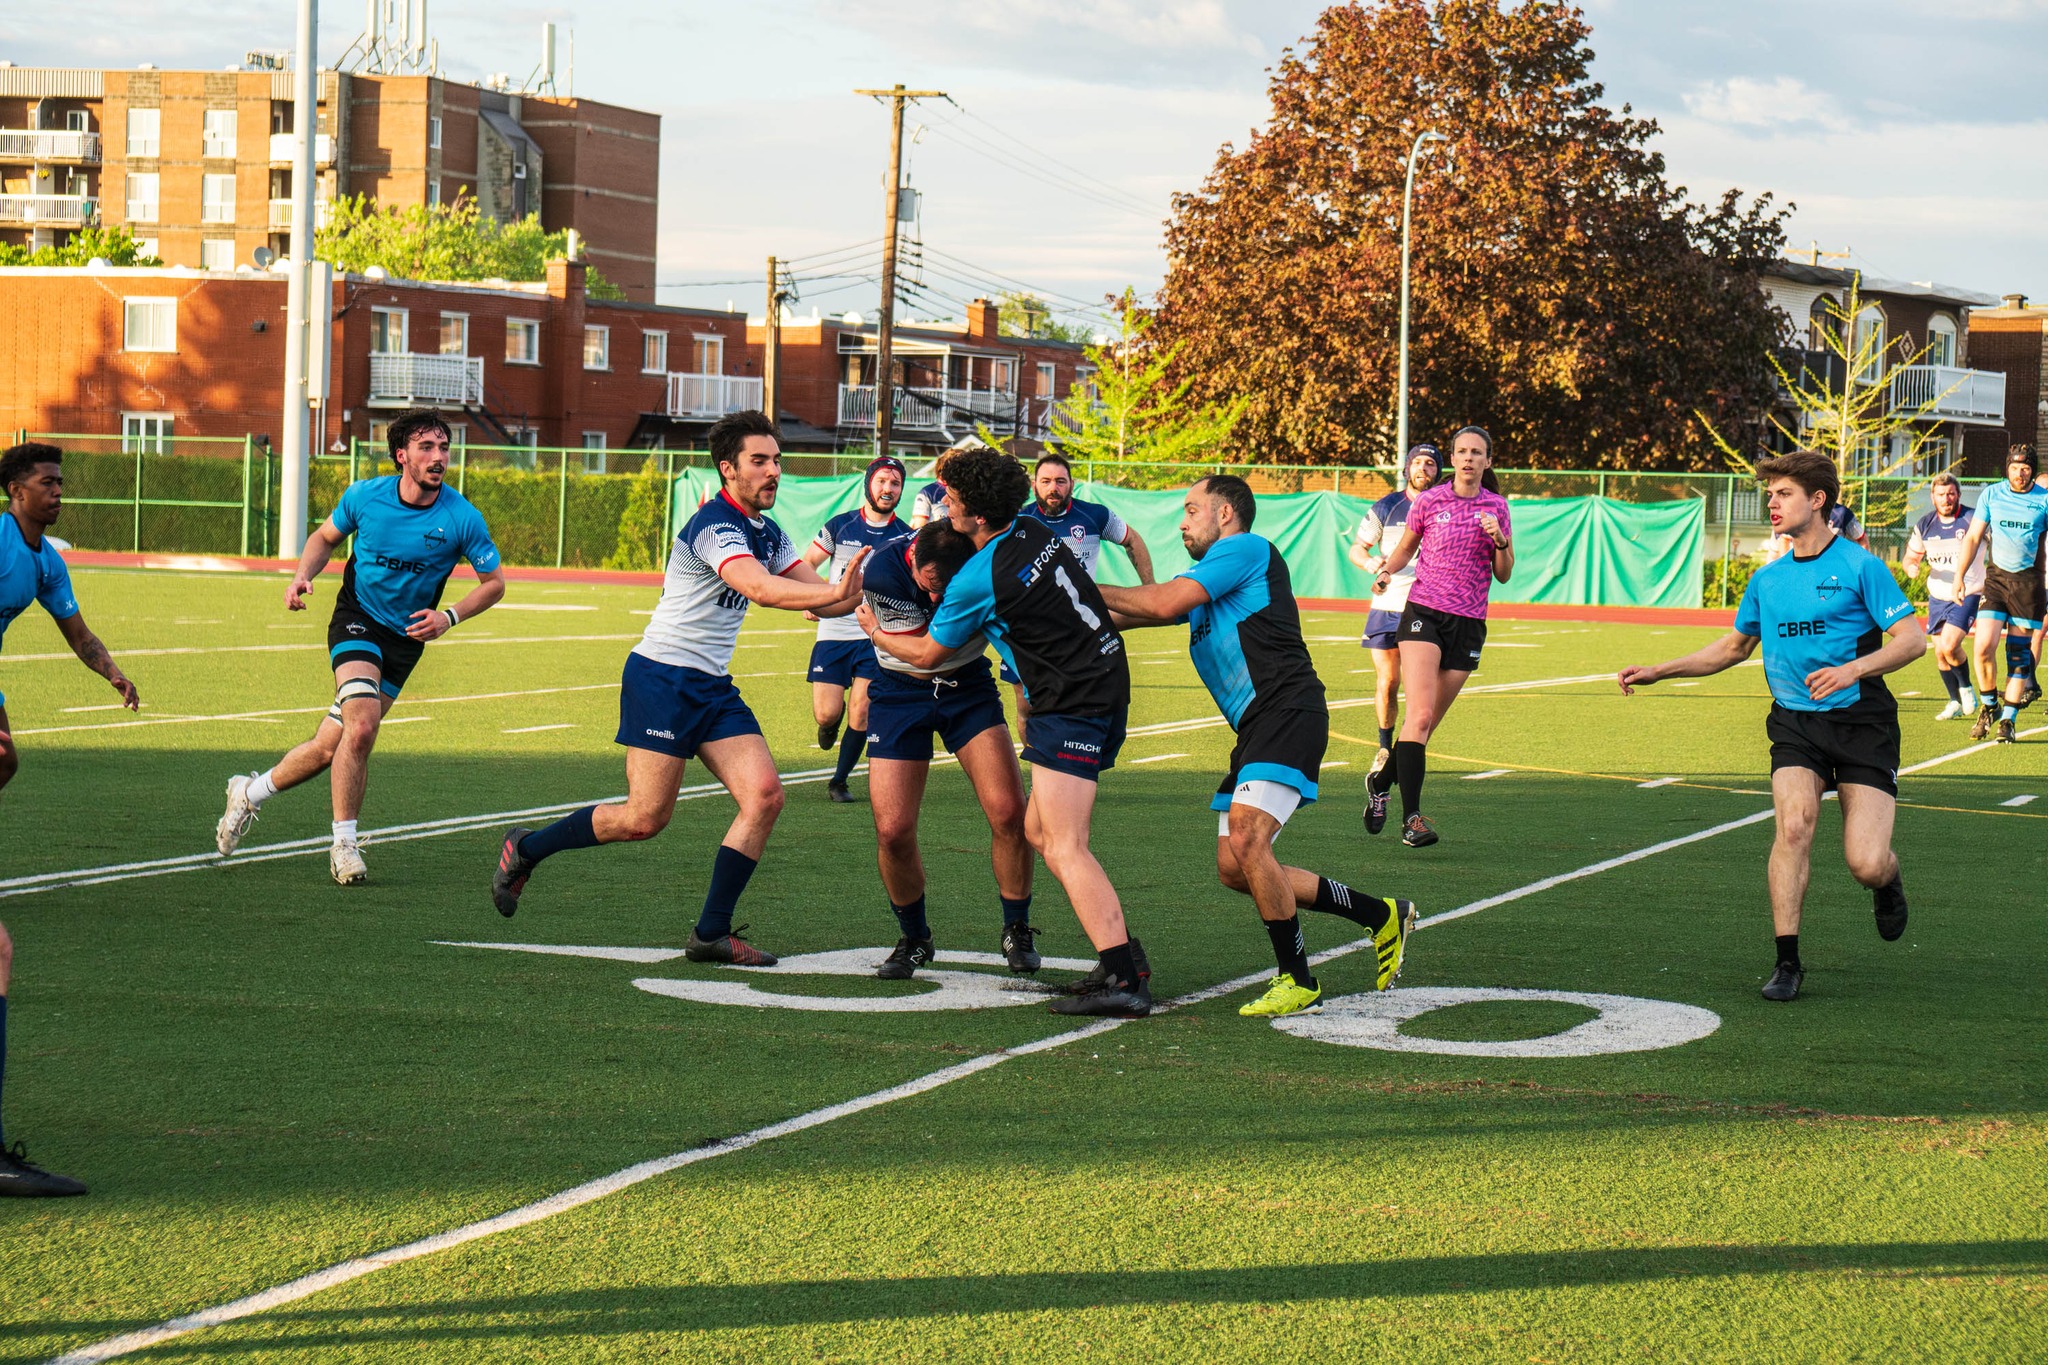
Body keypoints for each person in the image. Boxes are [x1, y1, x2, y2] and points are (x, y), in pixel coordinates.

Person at [490, 411, 868, 966]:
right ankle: (525, 848)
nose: (773, 472)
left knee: (764, 796)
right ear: (727, 469)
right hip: (662, 678)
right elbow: (759, 589)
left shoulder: (771, 532)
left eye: (777, 461)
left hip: (712, 685)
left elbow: (830, 599)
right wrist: (838, 591)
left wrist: (879, 585)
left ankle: (711, 932)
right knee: (645, 819)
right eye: (759, 461)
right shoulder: (715, 524)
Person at [1100, 476, 1416, 1019]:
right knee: (1235, 866)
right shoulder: (1209, 582)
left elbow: (1158, 602)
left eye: (1191, 509)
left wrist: (1069, 583)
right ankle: (1382, 914)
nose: (1181, 521)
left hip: (1286, 712)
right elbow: (1124, 612)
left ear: (1225, 514)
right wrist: (1034, 606)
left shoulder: (1244, 549)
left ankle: (1298, 980)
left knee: (1248, 838)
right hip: (1257, 728)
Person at [1618, 451, 1924, 1003]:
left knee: (1865, 861)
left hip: (1863, 724)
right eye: (1771, 493)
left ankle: (1888, 880)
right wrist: (1659, 671)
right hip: (1794, 725)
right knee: (1794, 827)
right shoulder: (1768, 579)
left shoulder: (1860, 566)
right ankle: (1787, 962)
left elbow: (1912, 639)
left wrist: (1852, 668)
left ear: (1818, 500)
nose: (1772, 502)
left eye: (1783, 493)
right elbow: (1734, 647)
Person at [865, 443, 1149, 1017]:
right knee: (1037, 831)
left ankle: (1125, 974)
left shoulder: (977, 576)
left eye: (952, 497)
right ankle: (1114, 957)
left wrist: (875, 631)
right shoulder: (1032, 530)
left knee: (1064, 844)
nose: (944, 503)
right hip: (1100, 675)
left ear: (974, 511)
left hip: (1071, 699)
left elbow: (925, 653)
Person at [215, 411, 503, 885]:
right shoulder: (365, 497)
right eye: (426, 447)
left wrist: (447, 617)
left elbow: (494, 584)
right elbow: (324, 538)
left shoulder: (461, 517)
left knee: (331, 747)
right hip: (357, 620)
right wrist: (302, 575)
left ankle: (249, 793)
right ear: (401, 456)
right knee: (363, 725)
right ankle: (344, 846)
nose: (438, 457)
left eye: (444, 447)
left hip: (406, 641)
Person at [0, 440, 139, 1197]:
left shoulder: (45, 560)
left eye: (61, 481)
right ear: (15, 488)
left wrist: (111, 669)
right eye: (48, 481)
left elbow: (77, 632)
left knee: (7, 762)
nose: (60, 490)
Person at [845, 521, 1040, 978]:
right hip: (898, 690)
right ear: (913, 559)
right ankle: (915, 937)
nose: (935, 599)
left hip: (967, 687)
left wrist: (875, 633)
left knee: (1010, 812)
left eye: (947, 589)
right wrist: (878, 636)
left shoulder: (981, 563)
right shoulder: (883, 574)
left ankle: (1017, 927)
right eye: (930, 586)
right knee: (892, 830)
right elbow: (919, 654)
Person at [1362, 425, 1513, 848]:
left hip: (1468, 623)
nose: (1468, 458)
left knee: (1422, 727)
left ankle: (1380, 784)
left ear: (1488, 461)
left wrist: (1499, 540)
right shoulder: (1431, 500)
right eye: (1462, 451)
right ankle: (1412, 819)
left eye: (1476, 452)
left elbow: (1504, 574)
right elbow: (1407, 547)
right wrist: (1387, 570)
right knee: (1421, 715)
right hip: (1423, 614)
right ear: (1454, 458)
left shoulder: (1497, 507)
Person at [1008, 452, 1155, 732]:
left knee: (1085, 700)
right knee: (1027, 707)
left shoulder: (1094, 515)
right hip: (1031, 627)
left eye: (1060, 481)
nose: (1054, 488)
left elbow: (1132, 539)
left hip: (1084, 624)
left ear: (1071, 484)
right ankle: (1038, 770)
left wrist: (1150, 587)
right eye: (1047, 481)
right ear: (1034, 484)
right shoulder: (1019, 520)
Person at [801, 455, 906, 802]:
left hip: (875, 634)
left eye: (894, 483)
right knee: (827, 712)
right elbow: (807, 563)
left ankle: (839, 781)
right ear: (869, 484)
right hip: (834, 631)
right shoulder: (840, 525)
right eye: (882, 481)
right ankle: (829, 724)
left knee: (862, 708)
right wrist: (814, 599)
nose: (887, 489)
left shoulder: (904, 535)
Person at [1347, 443, 1440, 782]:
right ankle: (1385, 746)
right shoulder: (1387, 506)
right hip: (1387, 607)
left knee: (1420, 689)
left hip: (1427, 609)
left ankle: (1409, 749)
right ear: (1406, 468)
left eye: (1430, 464)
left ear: (1438, 471)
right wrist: (1369, 562)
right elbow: (1357, 548)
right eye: (1417, 462)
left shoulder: (1447, 506)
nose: (1423, 469)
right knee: (1388, 682)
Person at [1956, 446, 2048, 744]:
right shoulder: (1992, 495)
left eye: (2025, 468)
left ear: (2032, 470)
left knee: (2018, 655)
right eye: (2014, 467)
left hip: (2028, 586)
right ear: (2006, 468)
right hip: (1996, 582)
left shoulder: (2044, 501)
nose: (2019, 473)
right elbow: (1972, 537)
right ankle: (1989, 705)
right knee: (1983, 646)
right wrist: (1959, 576)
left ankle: (2008, 720)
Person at [1900, 471, 1984, 719]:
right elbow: (1911, 556)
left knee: (1949, 645)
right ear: (1933, 497)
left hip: (1967, 591)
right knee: (1940, 653)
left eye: (1950, 493)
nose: (1946, 498)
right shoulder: (1925, 524)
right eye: (1940, 494)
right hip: (1937, 594)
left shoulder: (1972, 519)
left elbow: (1993, 543)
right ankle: (1954, 702)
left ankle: (1967, 689)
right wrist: (1910, 566)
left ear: (1958, 494)